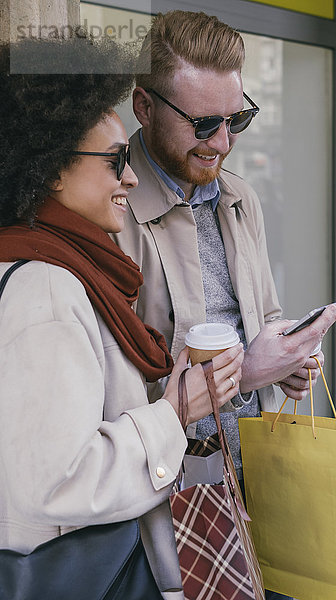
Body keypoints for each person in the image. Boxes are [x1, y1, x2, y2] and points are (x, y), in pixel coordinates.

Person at [112, 11, 336, 599]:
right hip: (165, 497)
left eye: (236, 118)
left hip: (251, 475)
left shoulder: (240, 196)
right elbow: (108, 393)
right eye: (204, 123)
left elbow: (261, 318)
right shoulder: (110, 209)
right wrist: (251, 367)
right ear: (144, 107)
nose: (222, 142)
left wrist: (288, 354)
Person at [0, 37, 244, 600]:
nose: (130, 179)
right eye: (115, 161)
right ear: (53, 170)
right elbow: (58, 484)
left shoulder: (49, 264)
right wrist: (176, 411)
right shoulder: (47, 286)